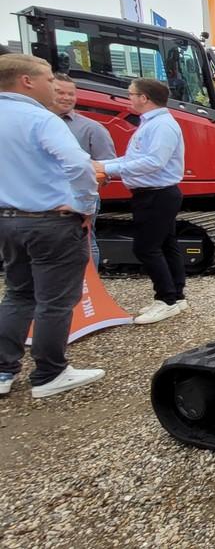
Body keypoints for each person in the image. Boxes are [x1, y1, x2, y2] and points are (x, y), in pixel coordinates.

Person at [0, 54, 105, 399]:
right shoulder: (40, 119)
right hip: (51, 221)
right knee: (55, 301)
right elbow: (78, 165)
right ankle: (50, 373)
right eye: (48, 79)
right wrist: (85, 204)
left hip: (9, 220)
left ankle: (3, 370)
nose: (55, 87)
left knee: (18, 294)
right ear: (26, 81)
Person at [94, 78, 188, 324]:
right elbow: (136, 158)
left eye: (131, 94)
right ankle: (176, 296)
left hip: (156, 193)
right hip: (156, 193)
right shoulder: (153, 124)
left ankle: (167, 299)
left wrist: (106, 167)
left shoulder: (160, 126)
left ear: (144, 98)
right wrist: (108, 165)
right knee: (166, 244)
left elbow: (153, 162)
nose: (129, 98)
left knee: (146, 248)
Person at [50, 73, 116, 267]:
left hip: (78, 197)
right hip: (42, 197)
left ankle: (90, 290)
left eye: (71, 93)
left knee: (86, 242)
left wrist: (89, 193)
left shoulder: (92, 128)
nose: (66, 98)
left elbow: (107, 166)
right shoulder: (34, 123)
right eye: (60, 92)